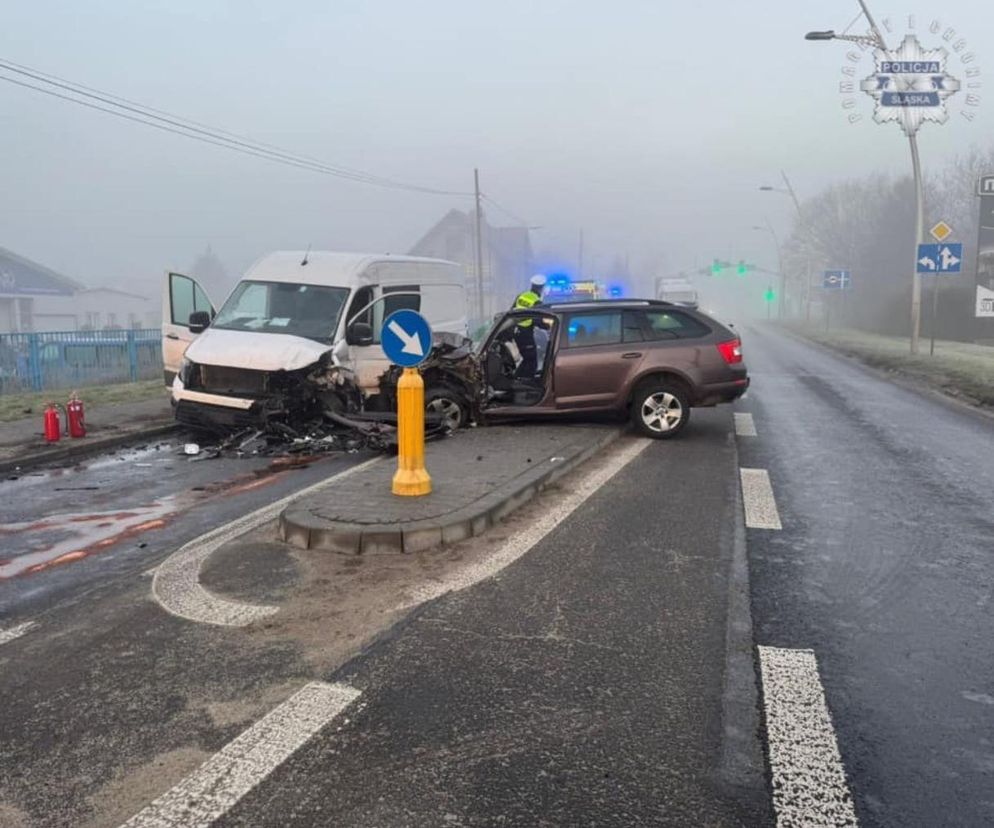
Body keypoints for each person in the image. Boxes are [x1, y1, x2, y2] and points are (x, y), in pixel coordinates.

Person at [512, 275, 547, 377]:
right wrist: (548, 326)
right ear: (541, 287)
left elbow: (512, 310)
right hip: (525, 333)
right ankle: (525, 383)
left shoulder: (521, 296)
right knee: (532, 361)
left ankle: (517, 378)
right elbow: (538, 321)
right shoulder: (537, 301)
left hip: (516, 331)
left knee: (527, 359)